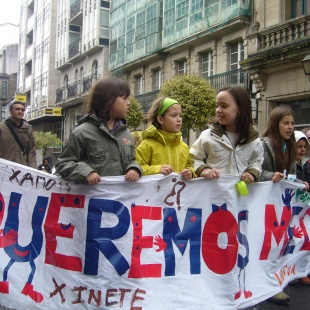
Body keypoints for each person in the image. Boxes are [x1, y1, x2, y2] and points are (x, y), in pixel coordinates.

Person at [260, 105, 309, 304]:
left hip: (281, 203)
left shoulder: (289, 147)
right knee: (267, 244)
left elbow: (290, 176)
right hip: (264, 203)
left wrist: (300, 183)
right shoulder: (263, 145)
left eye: (292, 124)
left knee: (280, 242)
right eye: (285, 123)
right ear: (275, 123)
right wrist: (271, 175)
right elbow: (255, 172)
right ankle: (268, 286)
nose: (290, 127)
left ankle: (277, 280)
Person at [54, 78, 142, 185]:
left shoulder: (126, 134)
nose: (129, 103)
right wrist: (86, 172)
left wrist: (134, 169)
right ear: (109, 100)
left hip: (119, 199)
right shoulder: (81, 133)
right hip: (92, 199)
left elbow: (131, 161)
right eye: (124, 98)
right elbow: (62, 164)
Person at [190, 85, 263, 184]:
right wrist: (204, 170)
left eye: (224, 106)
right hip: (212, 196)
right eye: (217, 105)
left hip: (240, 197)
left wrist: (251, 173)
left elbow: (257, 162)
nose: (218, 110)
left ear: (240, 109)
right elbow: (193, 158)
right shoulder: (207, 136)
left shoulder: (254, 140)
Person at [136, 97, 195, 180]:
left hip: (178, 192)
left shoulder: (184, 146)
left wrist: (190, 172)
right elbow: (137, 168)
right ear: (160, 119)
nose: (179, 119)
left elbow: (190, 166)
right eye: (174, 115)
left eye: (180, 115)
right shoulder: (147, 144)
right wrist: (157, 170)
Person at [0, 100, 36, 168]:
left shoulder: (28, 129)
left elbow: (32, 152)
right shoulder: (2, 127)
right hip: (4, 168)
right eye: (17, 109)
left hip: (22, 170)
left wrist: (33, 170)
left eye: (22, 110)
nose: (20, 111)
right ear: (10, 111)